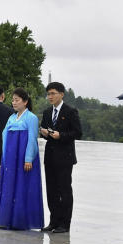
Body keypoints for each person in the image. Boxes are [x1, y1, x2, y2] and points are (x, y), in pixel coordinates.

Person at [0, 88, 44, 230]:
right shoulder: (11, 117)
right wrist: (5, 156)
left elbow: (32, 139)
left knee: (21, 187)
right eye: (13, 100)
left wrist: (28, 158)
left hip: (23, 159)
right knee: (9, 187)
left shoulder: (31, 118)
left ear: (25, 102)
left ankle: (19, 221)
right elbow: (5, 136)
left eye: (17, 100)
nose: (14, 102)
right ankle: (6, 219)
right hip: (10, 159)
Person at [40, 82, 82, 233]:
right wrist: (44, 133)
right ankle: (53, 221)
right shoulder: (46, 112)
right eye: (48, 94)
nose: (50, 97)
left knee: (64, 190)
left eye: (53, 93)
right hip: (50, 157)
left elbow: (78, 133)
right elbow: (44, 130)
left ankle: (65, 223)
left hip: (65, 157)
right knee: (51, 190)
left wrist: (61, 135)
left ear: (61, 94)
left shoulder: (70, 111)